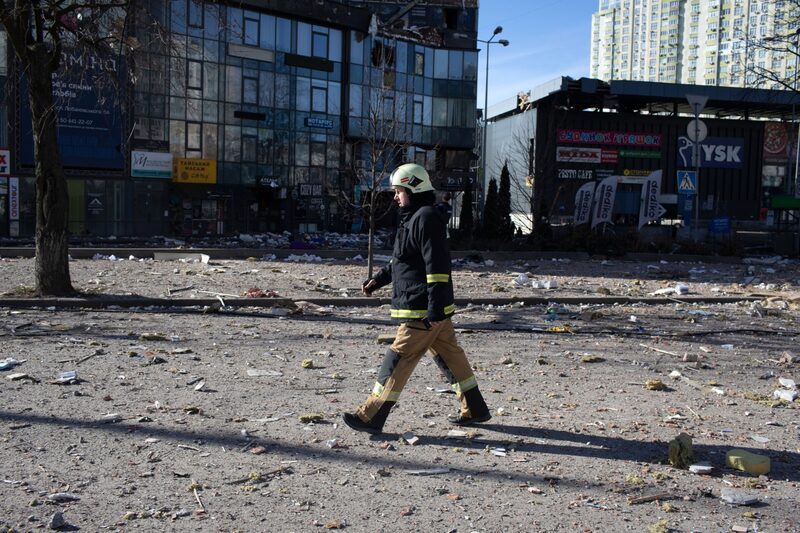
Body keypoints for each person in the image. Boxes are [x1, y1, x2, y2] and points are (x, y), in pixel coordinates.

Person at [342, 163, 491, 435]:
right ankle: (475, 408)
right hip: (429, 308)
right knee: (451, 358)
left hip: (422, 309)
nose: (396, 196)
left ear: (413, 188)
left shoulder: (425, 218)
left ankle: (371, 415)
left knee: (397, 358)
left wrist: (433, 309)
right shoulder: (413, 218)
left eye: (399, 191)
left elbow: (437, 267)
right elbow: (403, 260)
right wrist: (379, 279)